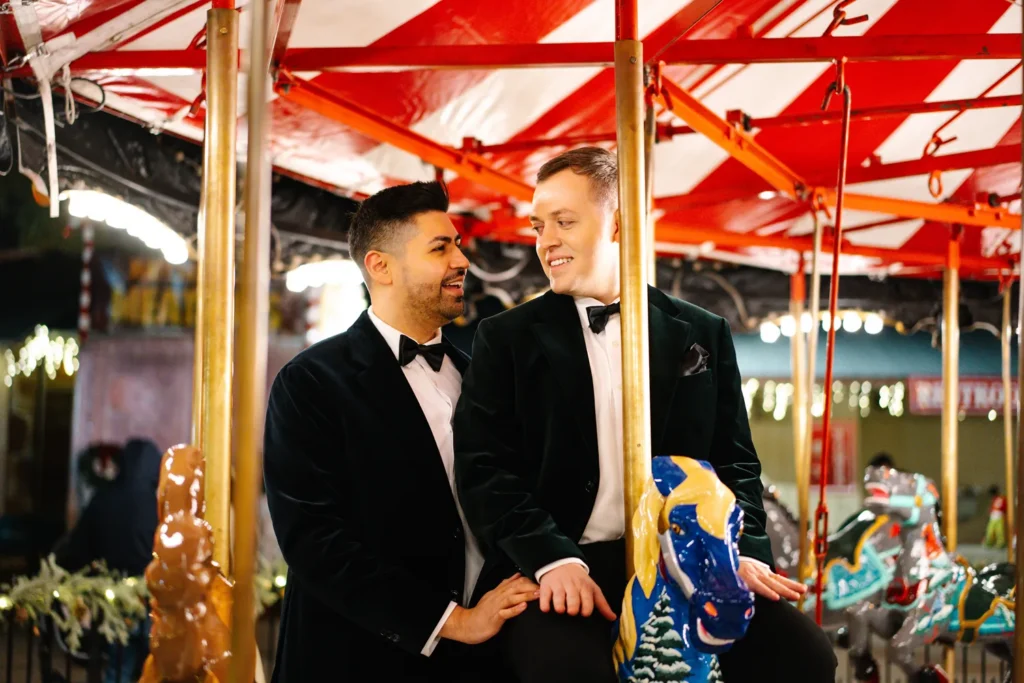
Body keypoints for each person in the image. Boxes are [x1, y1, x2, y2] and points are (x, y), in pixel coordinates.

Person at [453, 147, 837, 683]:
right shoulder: (506, 338)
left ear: (619, 223)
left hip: (690, 558)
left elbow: (736, 464)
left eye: (564, 222)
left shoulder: (702, 331)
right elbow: (483, 467)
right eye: (540, 226)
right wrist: (550, 558)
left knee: (804, 657)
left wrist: (740, 552)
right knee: (566, 671)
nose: (546, 242)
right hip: (568, 564)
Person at [263, 180, 538, 683]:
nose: (462, 261)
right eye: (441, 247)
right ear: (380, 266)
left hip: (478, 663)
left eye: (457, 244)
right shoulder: (310, 382)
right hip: (357, 657)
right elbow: (314, 542)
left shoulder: (481, 376)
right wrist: (452, 621)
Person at [54, 437, 162, 683]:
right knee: (155, 670)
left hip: (115, 598)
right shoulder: (160, 505)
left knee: (119, 668)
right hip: (153, 601)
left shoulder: (104, 498)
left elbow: (79, 547)